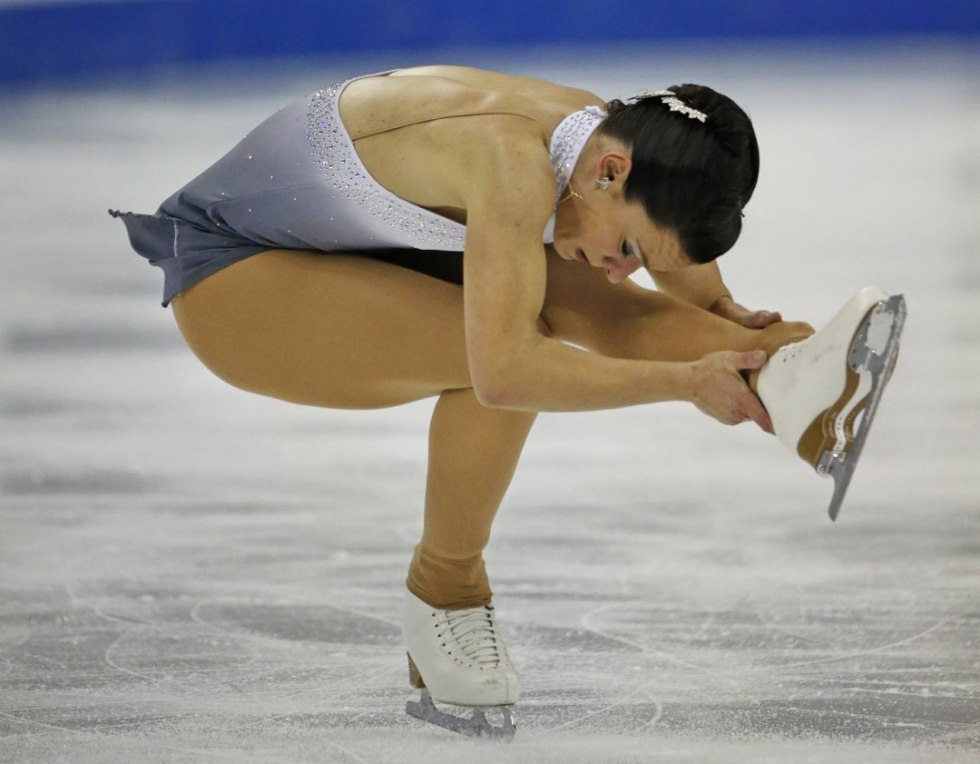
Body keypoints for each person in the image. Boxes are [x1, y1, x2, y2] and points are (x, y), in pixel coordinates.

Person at [111, 65, 903, 737]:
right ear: (611, 172)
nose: (625, 266)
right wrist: (685, 381)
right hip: (235, 282)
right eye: (630, 246)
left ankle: (793, 381)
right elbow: (508, 374)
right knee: (513, 340)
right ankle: (446, 592)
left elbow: (667, 262)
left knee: (583, 289)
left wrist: (741, 328)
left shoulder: (602, 142)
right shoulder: (510, 164)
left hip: (352, 252)